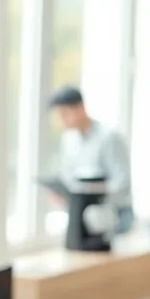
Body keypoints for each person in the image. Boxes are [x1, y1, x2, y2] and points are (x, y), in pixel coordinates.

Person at [47, 85, 134, 234]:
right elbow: (69, 177)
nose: (62, 120)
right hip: (83, 214)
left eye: (65, 114)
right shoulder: (69, 140)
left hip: (114, 214)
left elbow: (122, 183)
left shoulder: (108, 138)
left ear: (80, 107)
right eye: (59, 116)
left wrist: (92, 193)